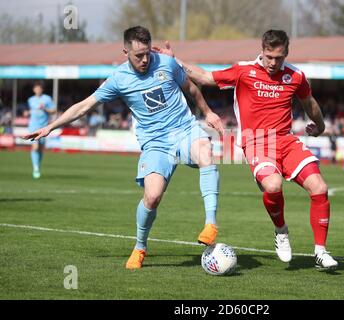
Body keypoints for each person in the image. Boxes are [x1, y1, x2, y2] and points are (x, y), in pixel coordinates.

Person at [23, 26, 224, 269]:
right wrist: (51, 126)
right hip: (155, 142)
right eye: (138, 55)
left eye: (148, 53)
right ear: (125, 51)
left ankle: (211, 223)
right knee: (152, 197)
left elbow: (191, 89)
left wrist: (209, 112)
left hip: (184, 130)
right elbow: (84, 106)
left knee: (205, 151)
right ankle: (140, 246)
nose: (145, 59)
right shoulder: (118, 79)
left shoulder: (166, 64)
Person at [154, 30, 338, 269]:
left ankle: (321, 252)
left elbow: (309, 102)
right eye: (269, 56)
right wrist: (174, 60)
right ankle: (281, 230)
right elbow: (206, 77)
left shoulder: (295, 76)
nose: (273, 62)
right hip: (256, 142)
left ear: (286, 54)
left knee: (320, 188)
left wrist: (321, 126)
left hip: (286, 141)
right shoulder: (243, 71)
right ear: (262, 50)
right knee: (273, 185)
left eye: (279, 57)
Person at [26, 81, 57, 179]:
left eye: (39, 88)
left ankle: (37, 166)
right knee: (35, 147)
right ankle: (35, 168)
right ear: (34, 89)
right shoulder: (30, 100)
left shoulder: (47, 99)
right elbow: (33, 110)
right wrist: (27, 112)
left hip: (43, 127)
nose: (38, 90)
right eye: (36, 88)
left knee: (40, 148)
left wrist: (45, 109)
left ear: (42, 89)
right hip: (33, 126)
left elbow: (53, 111)